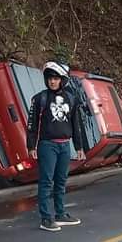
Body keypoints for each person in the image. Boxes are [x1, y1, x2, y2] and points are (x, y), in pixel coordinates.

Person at [26, 61, 86, 232]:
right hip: (47, 145)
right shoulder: (40, 99)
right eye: (50, 78)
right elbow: (32, 124)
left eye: (56, 78)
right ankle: (46, 218)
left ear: (62, 80)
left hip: (65, 146)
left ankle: (60, 213)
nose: (52, 81)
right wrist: (31, 146)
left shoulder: (71, 98)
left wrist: (79, 147)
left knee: (61, 181)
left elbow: (76, 124)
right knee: (46, 182)